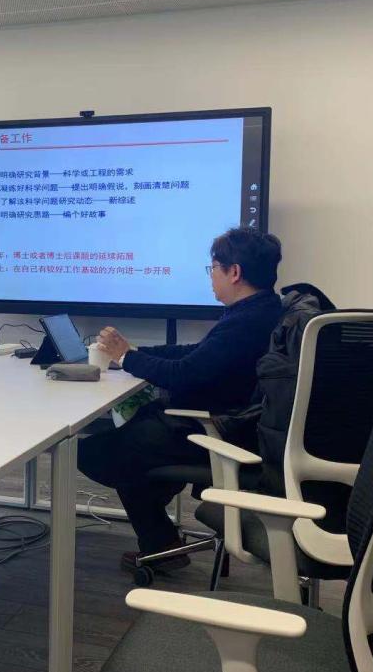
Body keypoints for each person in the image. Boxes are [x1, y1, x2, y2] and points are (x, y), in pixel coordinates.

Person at [77, 227, 283, 573]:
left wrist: (127, 357)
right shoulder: (261, 310)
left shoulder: (247, 321)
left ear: (234, 272)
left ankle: (161, 543)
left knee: (97, 452)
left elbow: (183, 374)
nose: (211, 277)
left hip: (215, 430)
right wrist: (134, 353)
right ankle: (161, 543)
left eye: (213, 268)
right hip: (223, 421)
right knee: (133, 443)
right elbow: (197, 354)